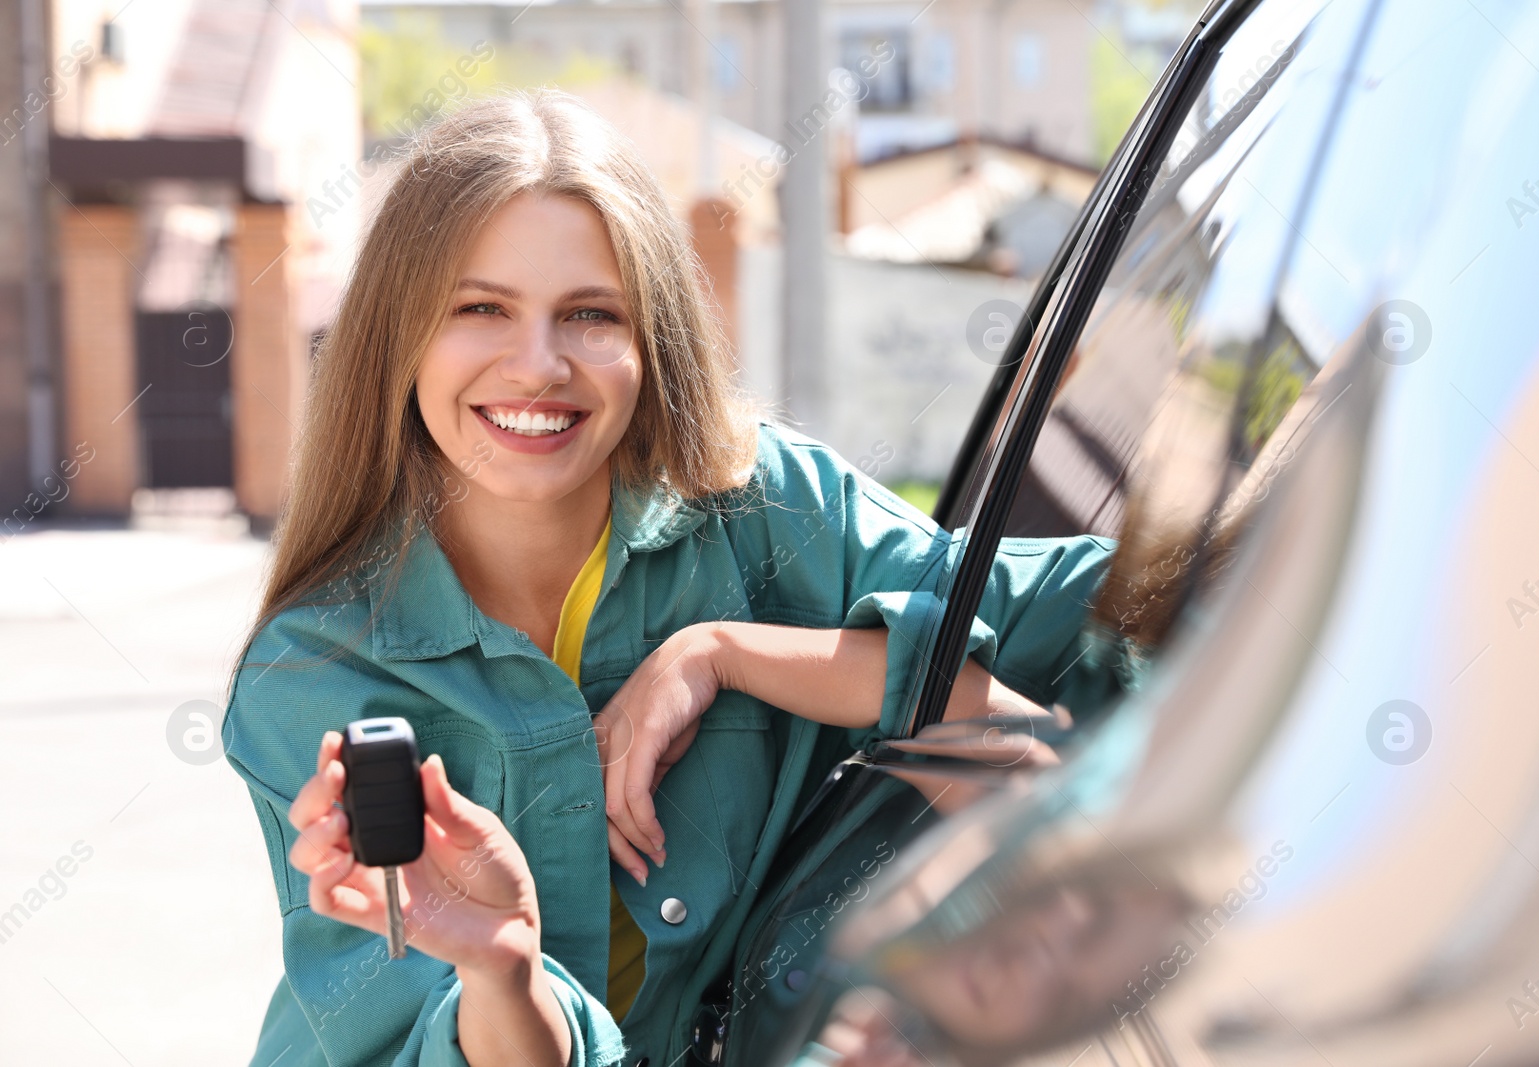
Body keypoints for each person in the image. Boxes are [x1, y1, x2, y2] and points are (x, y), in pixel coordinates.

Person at [221, 89, 1117, 1067]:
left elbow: (1120, 617)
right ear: (400, 336)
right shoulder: (312, 674)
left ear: (651, 339)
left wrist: (729, 651)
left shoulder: (770, 508)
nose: (537, 365)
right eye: (479, 308)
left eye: (589, 314)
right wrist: (502, 973)